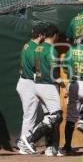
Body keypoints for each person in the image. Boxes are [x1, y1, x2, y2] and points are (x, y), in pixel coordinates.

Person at [20, 24, 64, 156]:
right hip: (47, 85)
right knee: (55, 116)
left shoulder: (37, 48)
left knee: (50, 116)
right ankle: (29, 139)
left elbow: (36, 67)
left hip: (37, 84)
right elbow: (54, 69)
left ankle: (51, 147)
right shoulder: (51, 49)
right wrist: (57, 79)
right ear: (55, 35)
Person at [16, 23, 45, 154]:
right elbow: (38, 71)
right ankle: (23, 144)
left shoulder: (27, 44)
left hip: (25, 82)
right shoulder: (36, 49)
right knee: (30, 115)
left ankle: (26, 140)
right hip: (29, 83)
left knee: (38, 114)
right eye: (43, 34)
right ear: (40, 35)